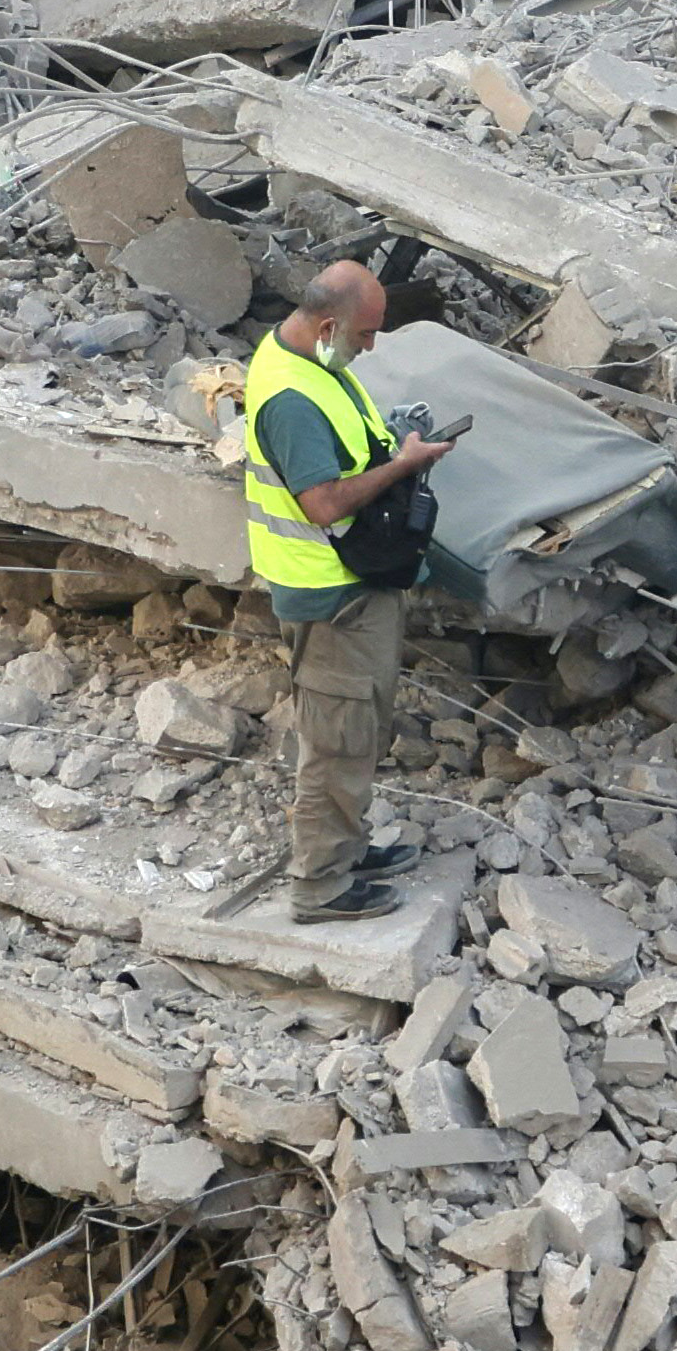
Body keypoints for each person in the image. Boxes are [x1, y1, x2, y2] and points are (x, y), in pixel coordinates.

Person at [236, 258, 461, 920]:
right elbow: (325, 504)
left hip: (350, 584)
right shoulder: (292, 399)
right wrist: (403, 465)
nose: (371, 346)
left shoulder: (310, 362)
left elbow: (345, 450)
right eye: (364, 334)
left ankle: (347, 849)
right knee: (336, 742)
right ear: (328, 326)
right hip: (330, 595)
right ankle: (321, 886)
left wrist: (393, 442)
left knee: (356, 730)